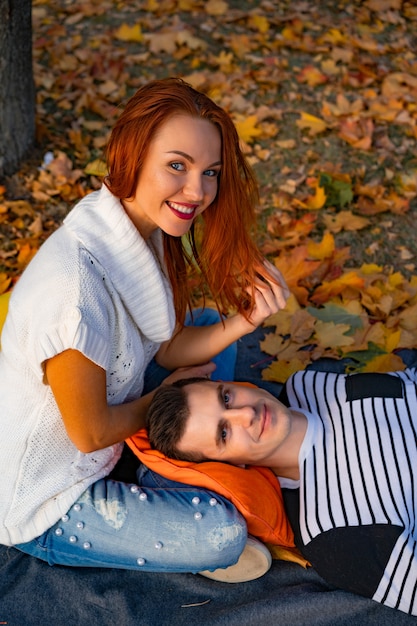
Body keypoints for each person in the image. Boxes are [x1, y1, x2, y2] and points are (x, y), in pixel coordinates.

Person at [0, 77, 289, 579]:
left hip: (116, 408)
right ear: (131, 155)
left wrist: (246, 320)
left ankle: (189, 446)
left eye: (211, 172)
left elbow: (169, 344)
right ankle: (185, 472)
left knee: (204, 327)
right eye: (177, 166)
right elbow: (90, 434)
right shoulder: (74, 293)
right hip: (50, 492)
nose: (197, 192)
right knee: (220, 533)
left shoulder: (140, 227)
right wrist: (164, 401)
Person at [146, 369, 417, 617]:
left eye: (226, 398)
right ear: (230, 465)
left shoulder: (304, 385)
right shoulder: (333, 530)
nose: (247, 414)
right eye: (225, 433)